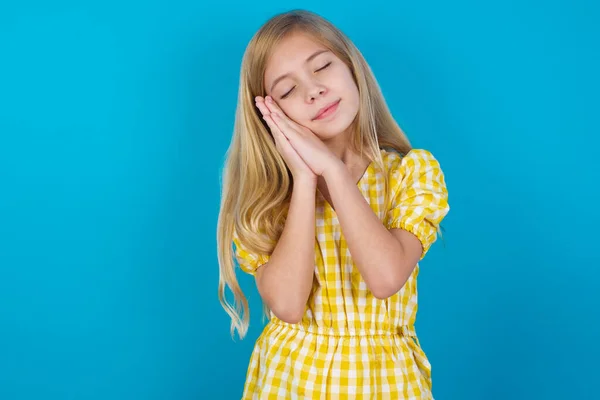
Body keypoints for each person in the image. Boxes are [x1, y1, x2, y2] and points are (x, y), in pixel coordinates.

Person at [216, 9, 450, 399]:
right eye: (287, 91)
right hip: (291, 381)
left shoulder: (412, 173)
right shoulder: (268, 200)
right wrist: (306, 179)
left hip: (385, 382)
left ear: (352, 65)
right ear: (270, 116)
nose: (313, 91)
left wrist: (334, 172)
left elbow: (386, 277)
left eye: (322, 66)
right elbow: (289, 305)